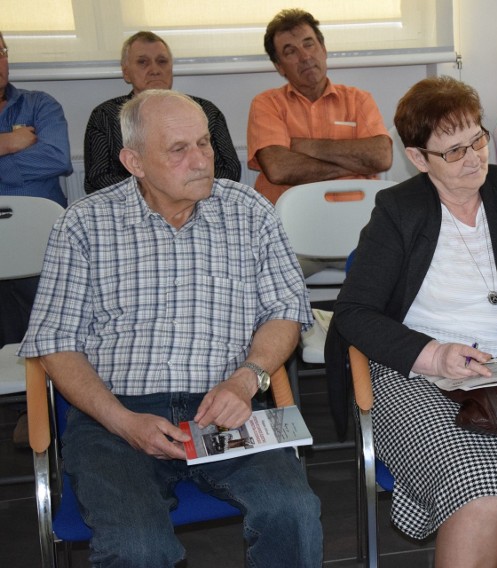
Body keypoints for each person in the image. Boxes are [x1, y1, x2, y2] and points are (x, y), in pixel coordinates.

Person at [19, 90, 322, 567]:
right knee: (139, 547)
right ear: (133, 161)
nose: (201, 160)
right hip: (115, 417)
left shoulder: (249, 211)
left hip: (226, 406)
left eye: (204, 143)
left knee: (294, 512)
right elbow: (56, 345)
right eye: (179, 149)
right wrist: (122, 421)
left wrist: (247, 380)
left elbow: (286, 310)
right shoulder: (84, 225)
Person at [329, 76, 497, 566]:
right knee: (480, 491)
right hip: (417, 374)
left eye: (478, 141)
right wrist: (434, 354)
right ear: (419, 158)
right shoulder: (399, 209)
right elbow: (354, 312)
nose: (474, 159)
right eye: (454, 152)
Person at [0, 29, 73, 447]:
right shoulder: (19, 126)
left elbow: (57, 158)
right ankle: (25, 402)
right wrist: (10, 142)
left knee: (42, 285)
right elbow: (37, 159)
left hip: (45, 247)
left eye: (1, 51)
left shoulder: (40, 104)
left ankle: (44, 401)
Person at [247, 8, 392, 206]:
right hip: (291, 216)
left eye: (309, 44)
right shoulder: (266, 104)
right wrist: (356, 166)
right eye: (291, 51)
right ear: (279, 66)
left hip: (353, 212)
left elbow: (382, 157)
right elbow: (279, 168)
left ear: (323, 49)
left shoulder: (359, 99)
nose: (305, 56)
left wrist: (304, 145)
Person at [83, 31, 240, 194]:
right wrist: (159, 190)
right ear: (126, 72)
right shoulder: (105, 116)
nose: (155, 70)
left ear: (171, 68)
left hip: (198, 204)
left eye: (162, 62)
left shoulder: (205, 111)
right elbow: (96, 179)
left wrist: (183, 188)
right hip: (129, 210)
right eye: (143, 62)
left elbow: (231, 170)